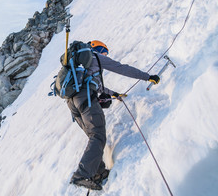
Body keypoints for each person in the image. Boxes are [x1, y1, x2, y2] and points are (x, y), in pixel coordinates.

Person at [68, 40, 160, 190]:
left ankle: (98, 173)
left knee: (93, 136)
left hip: (73, 102)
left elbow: (96, 84)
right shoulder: (96, 56)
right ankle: (82, 175)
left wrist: (114, 94)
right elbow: (122, 68)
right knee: (97, 135)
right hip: (86, 99)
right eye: (105, 52)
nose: (106, 55)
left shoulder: (80, 66)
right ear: (98, 49)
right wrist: (147, 76)